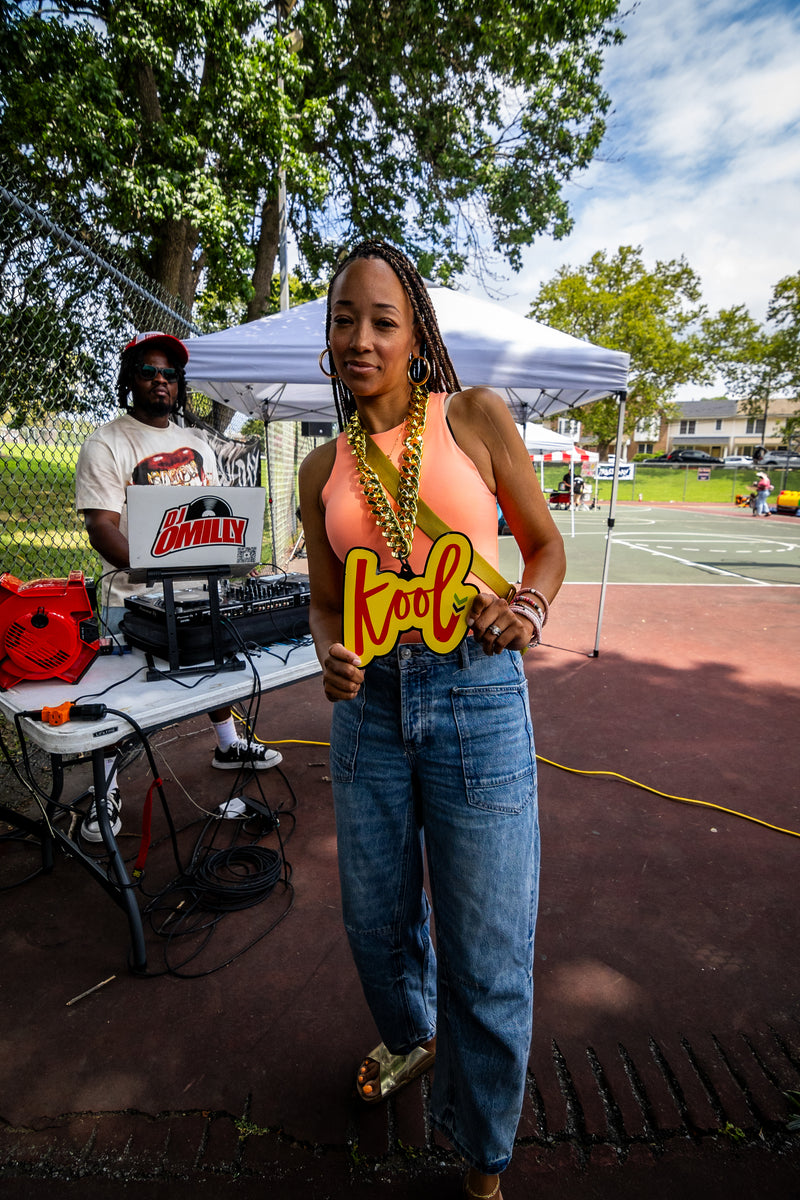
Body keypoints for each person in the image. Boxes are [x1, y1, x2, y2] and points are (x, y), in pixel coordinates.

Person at [298, 242, 566, 1200]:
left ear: (417, 337)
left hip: (475, 695)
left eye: (382, 320)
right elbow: (328, 601)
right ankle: (416, 1041)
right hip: (366, 711)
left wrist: (527, 610)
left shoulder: (474, 417)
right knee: (375, 927)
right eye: (343, 320)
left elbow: (542, 547)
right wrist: (327, 649)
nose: (360, 336)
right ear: (328, 342)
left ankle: (485, 1162)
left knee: (487, 952)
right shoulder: (320, 466)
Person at [75, 331, 281, 843]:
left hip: (198, 590)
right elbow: (102, 525)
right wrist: (153, 571)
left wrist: (236, 560)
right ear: (130, 379)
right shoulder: (107, 442)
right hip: (133, 599)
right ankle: (104, 788)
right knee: (121, 697)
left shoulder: (196, 445)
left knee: (211, 661)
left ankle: (227, 744)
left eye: (169, 373)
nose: (160, 381)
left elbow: (218, 517)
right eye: (148, 371)